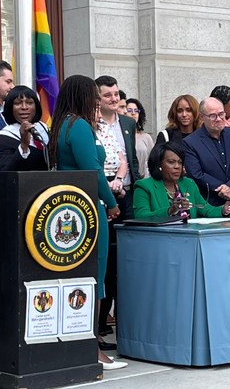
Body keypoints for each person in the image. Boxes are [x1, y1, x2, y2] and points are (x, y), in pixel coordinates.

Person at [47, 75, 126, 371]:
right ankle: (91, 349)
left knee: (80, 277)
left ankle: (78, 344)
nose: (96, 100)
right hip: (89, 207)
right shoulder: (78, 125)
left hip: (70, 209)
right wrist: (113, 202)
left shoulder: (60, 124)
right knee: (95, 277)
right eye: (92, 95)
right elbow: (92, 170)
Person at [93, 76, 140, 342]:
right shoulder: (91, 125)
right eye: (107, 95)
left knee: (125, 257)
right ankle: (99, 322)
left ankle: (124, 320)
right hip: (102, 195)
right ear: (97, 99)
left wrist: (124, 183)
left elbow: (129, 159)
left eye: (116, 94)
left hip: (126, 195)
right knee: (105, 261)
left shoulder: (128, 123)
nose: (114, 99)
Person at [133, 142, 230, 218]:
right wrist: (170, 211)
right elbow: (141, 216)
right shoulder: (144, 186)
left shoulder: (188, 183)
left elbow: (205, 209)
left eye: (180, 162)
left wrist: (224, 210)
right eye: (171, 162)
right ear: (159, 164)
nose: (177, 166)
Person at [183, 98, 230, 213]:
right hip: (210, 206)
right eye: (213, 116)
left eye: (221, 114)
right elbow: (196, 174)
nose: (219, 119)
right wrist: (226, 191)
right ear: (201, 117)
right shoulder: (190, 142)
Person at [0, 86, 50, 172]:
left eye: (29, 103)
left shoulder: (44, 129)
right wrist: (23, 146)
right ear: (10, 107)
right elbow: (5, 172)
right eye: (18, 103)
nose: (24, 107)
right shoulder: (3, 138)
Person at [124, 98, 153, 179]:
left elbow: (152, 162)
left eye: (136, 110)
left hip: (142, 179)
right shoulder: (119, 135)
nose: (133, 113)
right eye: (129, 110)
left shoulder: (146, 137)